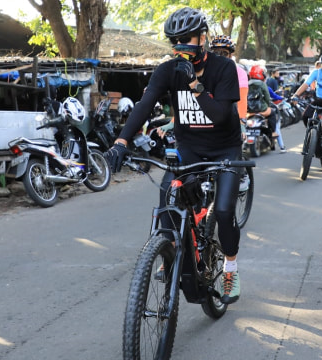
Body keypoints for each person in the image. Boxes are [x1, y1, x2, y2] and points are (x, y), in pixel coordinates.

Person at [104, 7, 243, 304]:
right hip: (189, 147)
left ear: (202, 38)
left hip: (225, 148)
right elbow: (143, 106)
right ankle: (168, 254)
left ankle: (230, 266)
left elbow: (219, 115)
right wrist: (121, 141)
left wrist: (195, 85)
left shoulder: (224, 69)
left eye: (186, 39)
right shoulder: (167, 70)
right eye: (174, 41)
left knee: (223, 212)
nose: (180, 46)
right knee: (168, 194)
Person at [247, 65, 286, 153]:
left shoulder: (247, 83)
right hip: (262, 109)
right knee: (272, 113)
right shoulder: (262, 84)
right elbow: (267, 97)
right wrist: (267, 105)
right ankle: (272, 132)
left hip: (249, 110)